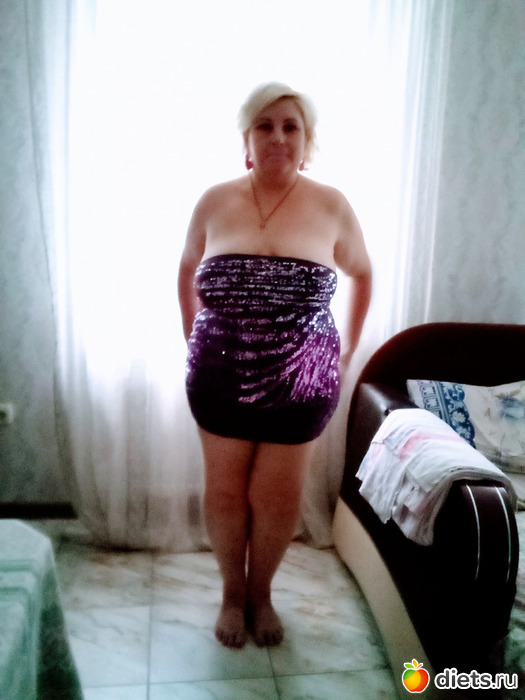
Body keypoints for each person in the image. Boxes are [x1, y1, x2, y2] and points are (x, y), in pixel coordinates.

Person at [178, 82, 372, 649]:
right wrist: (191, 337)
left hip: (302, 381)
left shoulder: (332, 205)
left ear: (307, 140)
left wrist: (347, 351)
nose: (278, 136)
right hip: (219, 375)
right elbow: (187, 269)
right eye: (264, 125)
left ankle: (260, 595)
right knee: (224, 493)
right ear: (247, 138)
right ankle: (231, 595)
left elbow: (363, 272)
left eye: (291, 126)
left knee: (277, 498)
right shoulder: (214, 200)